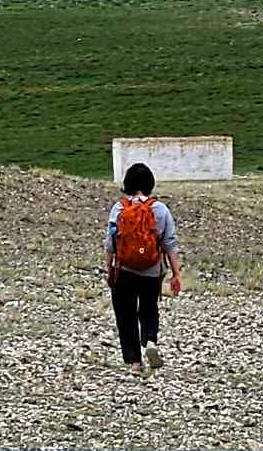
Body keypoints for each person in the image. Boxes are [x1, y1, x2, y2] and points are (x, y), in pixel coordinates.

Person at [105, 162, 183, 377]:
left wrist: (109, 270)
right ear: (150, 184)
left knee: (125, 315)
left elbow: (110, 243)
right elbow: (170, 243)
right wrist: (176, 274)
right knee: (149, 309)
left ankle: (134, 363)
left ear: (127, 184)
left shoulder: (119, 208)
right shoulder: (159, 209)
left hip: (124, 270)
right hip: (151, 270)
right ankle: (149, 340)